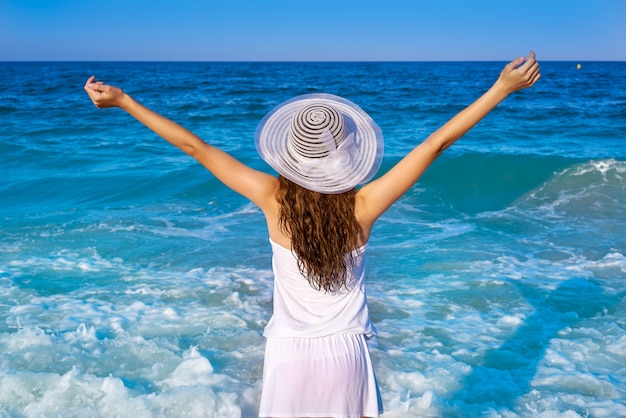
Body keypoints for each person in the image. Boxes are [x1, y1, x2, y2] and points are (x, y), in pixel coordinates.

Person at [84, 51, 540, 417]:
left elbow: (195, 147)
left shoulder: (271, 198)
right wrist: (500, 88)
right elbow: (434, 144)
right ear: (347, 154)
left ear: (290, 154)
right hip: (346, 355)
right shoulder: (363, 206)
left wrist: (124, 101)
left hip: (287, 356)